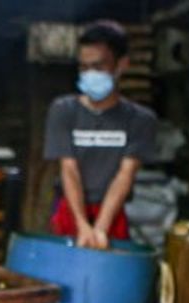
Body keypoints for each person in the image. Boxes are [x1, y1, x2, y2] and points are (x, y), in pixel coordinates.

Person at [44, 21, 157, 249]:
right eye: (83, 68)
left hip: (111, 212)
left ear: (121, 65)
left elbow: (125, 175)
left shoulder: (140, 120)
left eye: (98, 67)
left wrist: (101, 228)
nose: (90, 74)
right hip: (71, 209)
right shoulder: (63, 110)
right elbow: (69, 169)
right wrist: (82, 225)